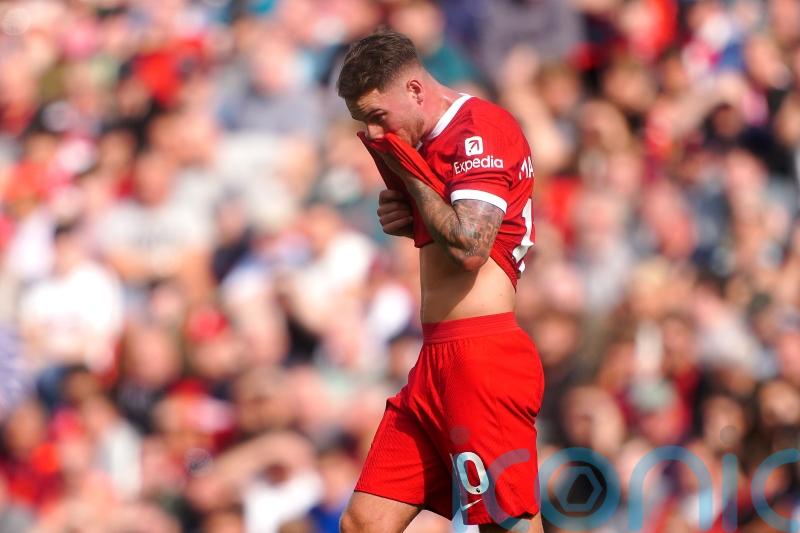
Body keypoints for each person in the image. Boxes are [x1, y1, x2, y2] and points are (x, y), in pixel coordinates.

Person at [336, 30, 544, 533]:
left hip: (481, 353)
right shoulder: (427, 143)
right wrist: (412, 213)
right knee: (364, 523)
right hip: (435, 359)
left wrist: (411, 181)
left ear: (413, 89)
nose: (376, 133)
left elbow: (471, 248)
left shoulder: (479, 128)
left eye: (378, 117)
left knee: (505, 522)